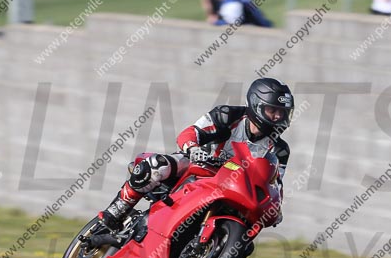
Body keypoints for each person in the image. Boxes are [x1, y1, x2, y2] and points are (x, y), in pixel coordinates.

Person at [97, 78, 294, 231]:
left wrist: (276, 207)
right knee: (156, 165)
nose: (278, 117)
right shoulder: (228, 115)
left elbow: (275, 183)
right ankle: (118, 210)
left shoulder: (280, 149)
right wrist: (193, 149)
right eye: (272, 111)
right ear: (256, 105)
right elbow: (190, 133)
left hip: (234, 187)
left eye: (282, 113)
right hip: (200, 166)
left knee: (247, 236)